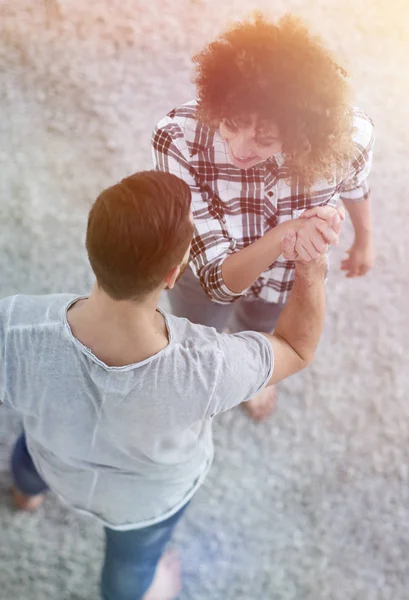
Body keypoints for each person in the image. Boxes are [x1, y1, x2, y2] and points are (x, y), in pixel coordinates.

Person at [1, 171, 341, 600]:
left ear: (92, 248)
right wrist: (311, 268)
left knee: (30, 457)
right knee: (132, 564)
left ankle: (25, 494)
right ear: (172, 274)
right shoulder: (209, 367)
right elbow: (295, 347)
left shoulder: (14, 327)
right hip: (142, 504)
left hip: (54, 456)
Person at [152, 13, 375, 421]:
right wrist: (287, 235)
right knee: (198, 334)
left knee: (261, 331)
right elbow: (217, 282)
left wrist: (365, 238)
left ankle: (254, 376)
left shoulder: (351, 137)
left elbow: (356, 186)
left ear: (302, 132)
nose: (239, 148)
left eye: (265, 139)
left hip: (282, 282)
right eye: (231, 124)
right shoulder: (178, 137)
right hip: (201, 279)